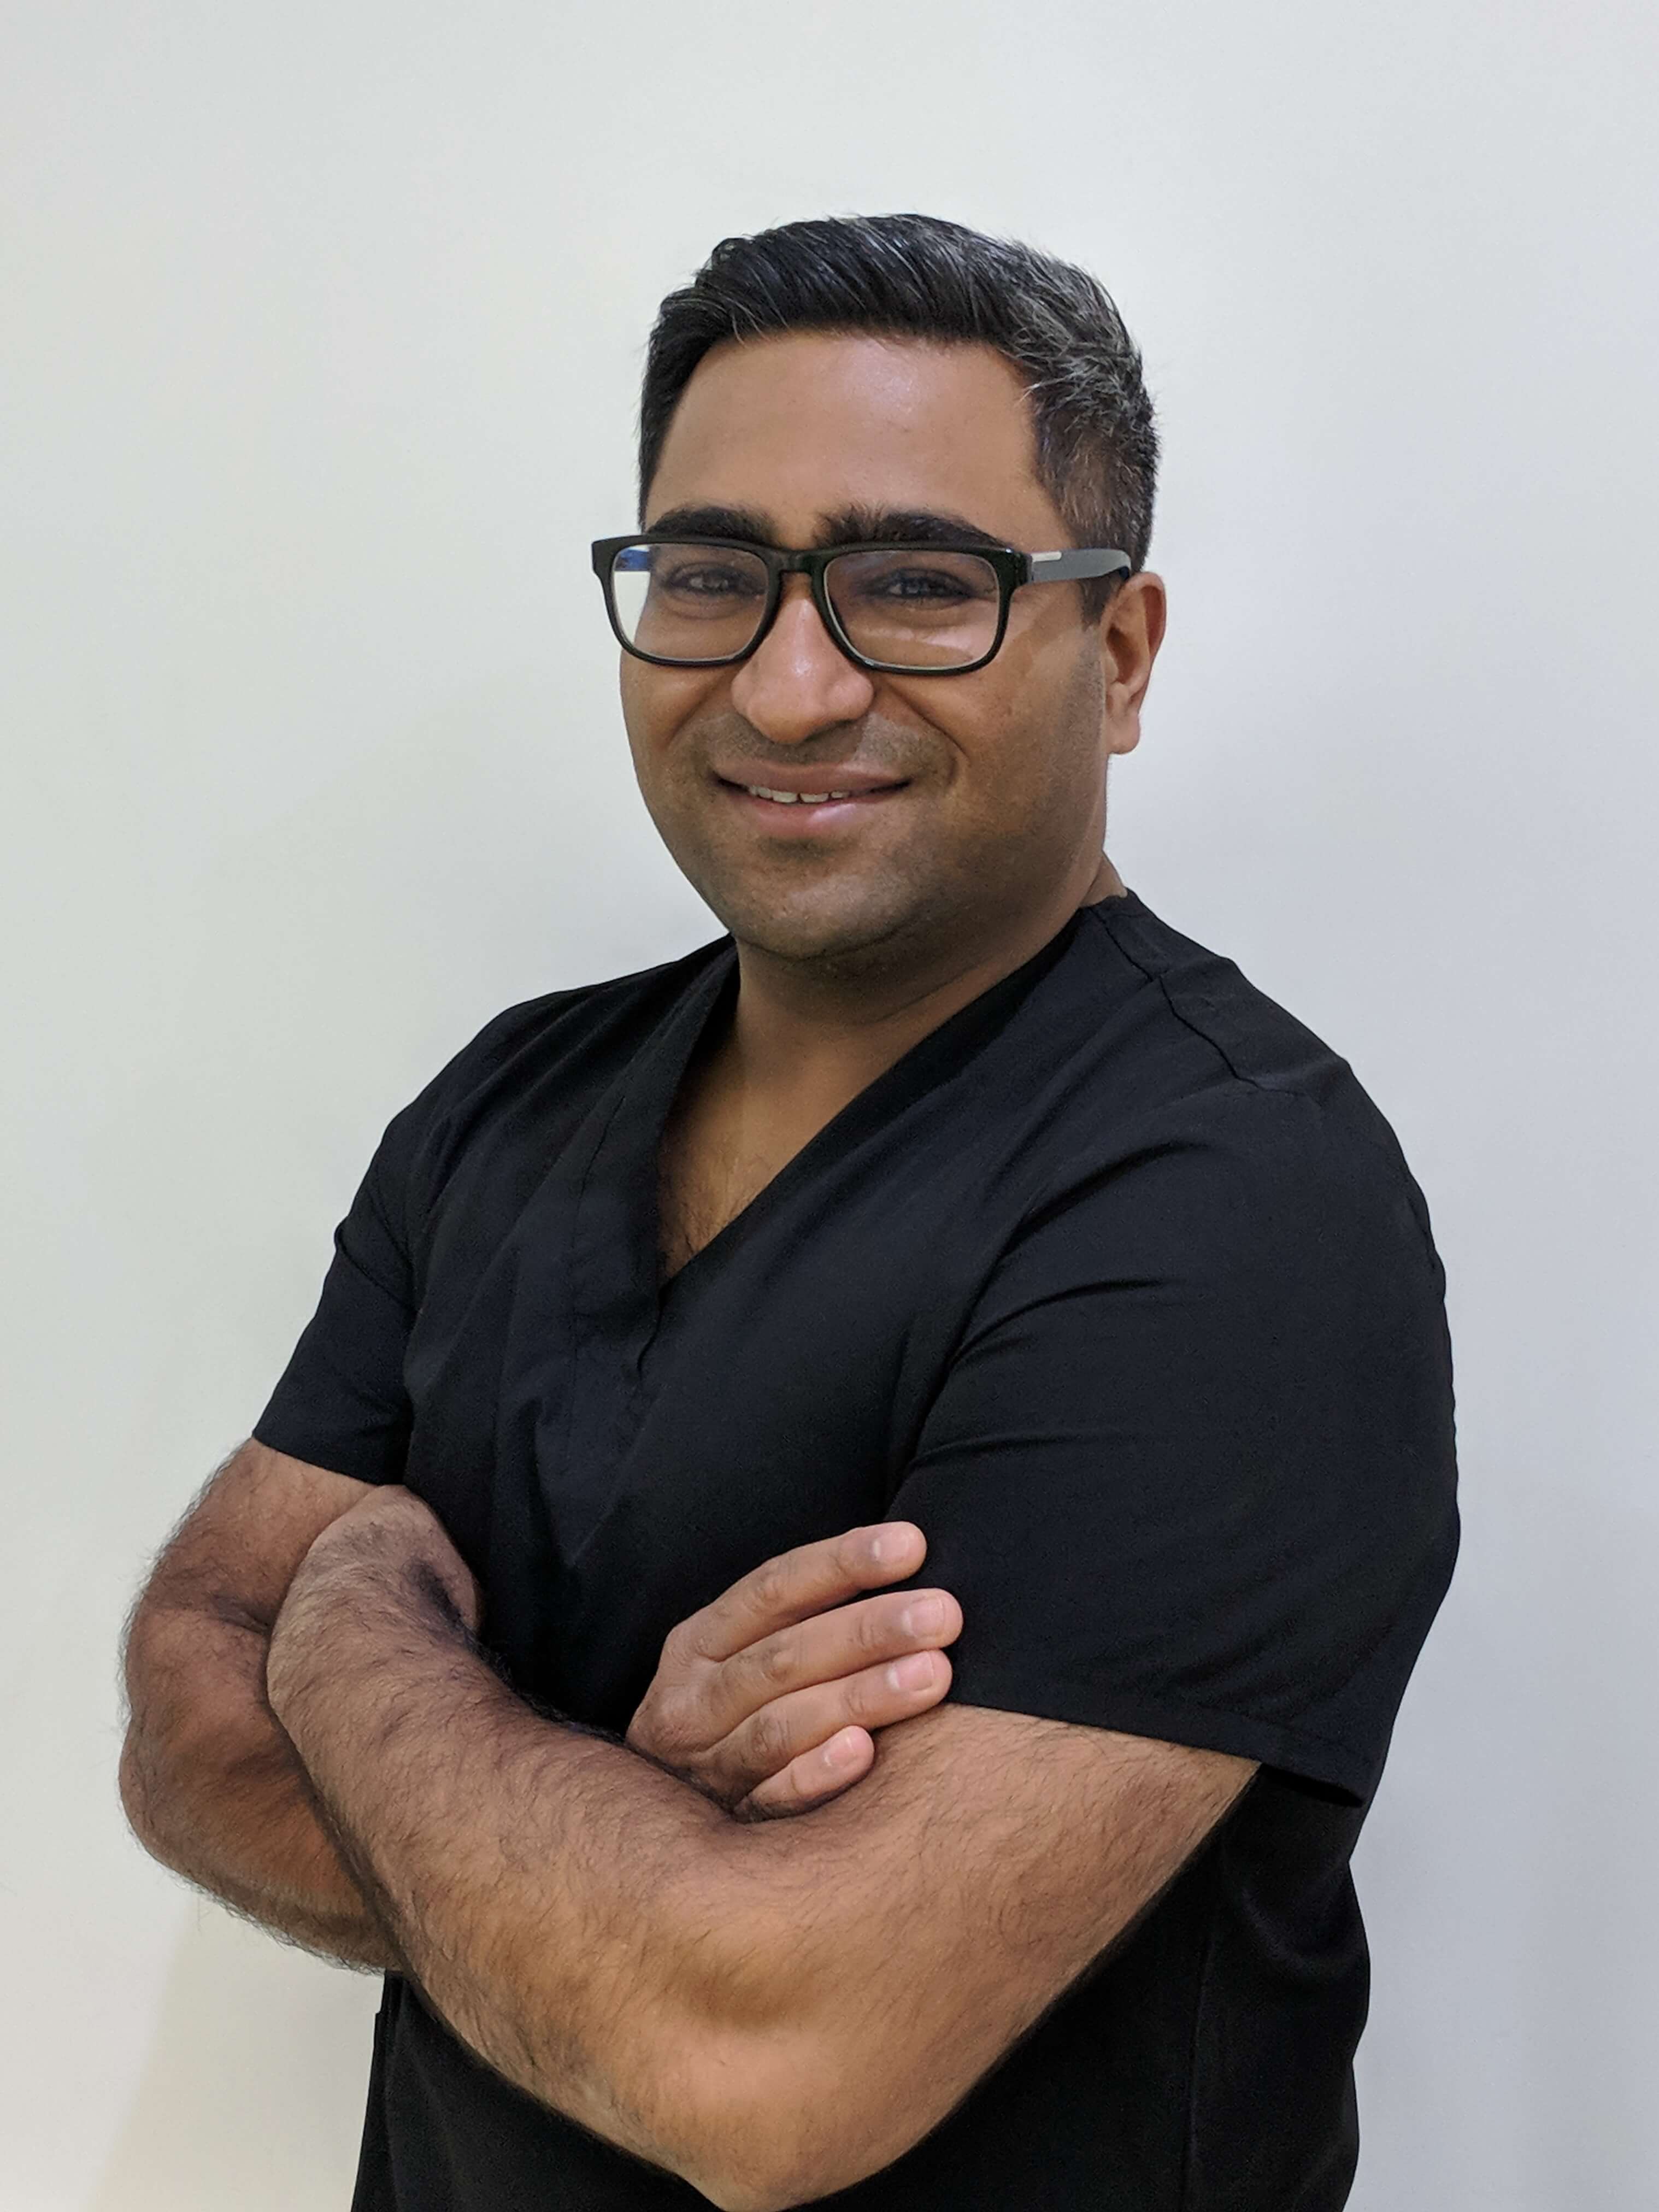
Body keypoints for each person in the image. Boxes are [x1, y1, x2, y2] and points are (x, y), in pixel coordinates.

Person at [118, 213, 1460, 2211]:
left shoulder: (1230, 1201)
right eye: (712, 576)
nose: (791, 683)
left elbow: (757, 2060)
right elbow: (180, 1719)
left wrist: (355, 1621)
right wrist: (610, 1855)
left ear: (1116, 654)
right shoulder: (508, 1103)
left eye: (916, 584)